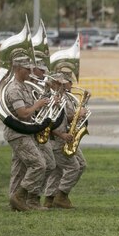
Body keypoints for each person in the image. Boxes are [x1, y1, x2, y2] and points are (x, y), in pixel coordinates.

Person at [4, 57, 52, 211]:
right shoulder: (14, 89)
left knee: (19, 170)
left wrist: (46, 104)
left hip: (25, 131)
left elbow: (32, 111)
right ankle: (19, 196)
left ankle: (16, 203)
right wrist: (37, 104)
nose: (30, 72)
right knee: (39, 164)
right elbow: (23, 113)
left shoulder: (24, 87)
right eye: (27, 69)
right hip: (17, 132)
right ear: (18, 69)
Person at [42, 74, 86, 209]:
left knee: (60, 169)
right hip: (57, 140)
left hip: (65, 137)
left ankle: (50, 198)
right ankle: (61, 196)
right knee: (74, 167)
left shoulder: (65, 97)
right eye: (66, 83)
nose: (70, 84)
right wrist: (62, 135)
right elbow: (46, 123)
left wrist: (80, 111)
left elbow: (67, 117)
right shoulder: (52, 98)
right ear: (55, 84)